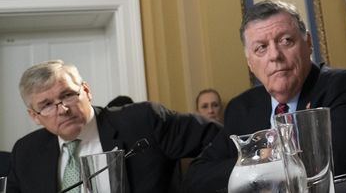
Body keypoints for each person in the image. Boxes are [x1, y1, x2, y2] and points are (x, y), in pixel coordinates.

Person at [185, 0, 346, 191]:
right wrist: (263, 162)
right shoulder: (242, 107)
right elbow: (197, 176)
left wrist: (263, 163)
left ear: (308, 43)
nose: (274, 55)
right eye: (261, 48)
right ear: (250, 63)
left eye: (285, 41)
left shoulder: (342, 85)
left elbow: (340, 167)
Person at [7, 60, 220, 193]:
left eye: (68, 95)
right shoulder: (26, 152)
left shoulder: (142, 121)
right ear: (34, 116)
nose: (62, 110)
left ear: (86, 91)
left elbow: (221, 139)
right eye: (46, 105)